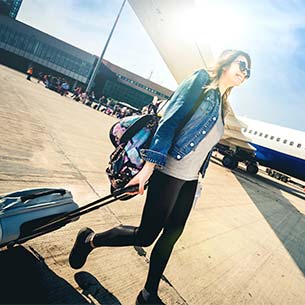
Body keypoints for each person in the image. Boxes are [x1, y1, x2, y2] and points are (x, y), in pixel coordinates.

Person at [69, 49, 251, 305]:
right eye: (242, 64)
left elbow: (204, 147)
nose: (244, 72)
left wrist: (198, 179)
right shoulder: (201, 81)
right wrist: (148, 168)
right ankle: (88, 240)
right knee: (146, 236)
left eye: (248, 71)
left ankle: (148, 294)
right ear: (226, 61)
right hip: (168, 172)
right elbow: (170, 120)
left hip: (189, 180)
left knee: (171, 236)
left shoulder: (222, 105)